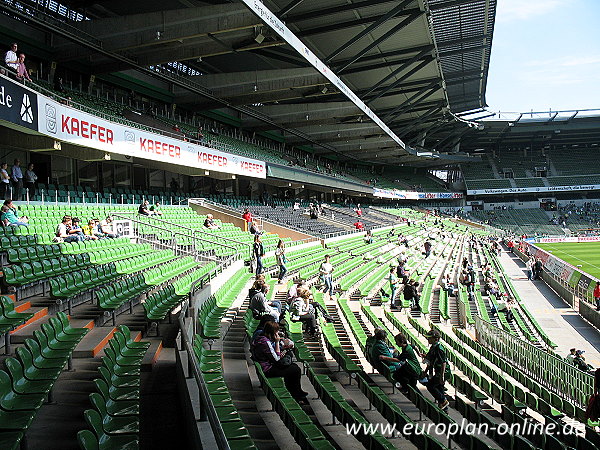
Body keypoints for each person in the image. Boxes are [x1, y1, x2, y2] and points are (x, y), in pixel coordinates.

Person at [251, 321, 308, 404]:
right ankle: (297, 394)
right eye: (276, 332)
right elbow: (276, 358)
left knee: (293, 368)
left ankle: (296, 393)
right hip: (268, 369)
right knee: (295, 370)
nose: (277, 334)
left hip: (268, 365)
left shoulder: (260, 338)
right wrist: (277, 343)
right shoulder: (265, 342)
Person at [422, 329, 449, 411]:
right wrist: (425, 372)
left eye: (430, 338)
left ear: (436, 339)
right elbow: (430, 361)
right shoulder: (432, 348)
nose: (428, 340)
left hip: (443, 372)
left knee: (430, 386)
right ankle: (444, 409)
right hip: (438, 371)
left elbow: (443, 363)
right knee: (439, 389)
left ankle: (443, 401)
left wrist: (442, 376)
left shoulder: (439, 349)